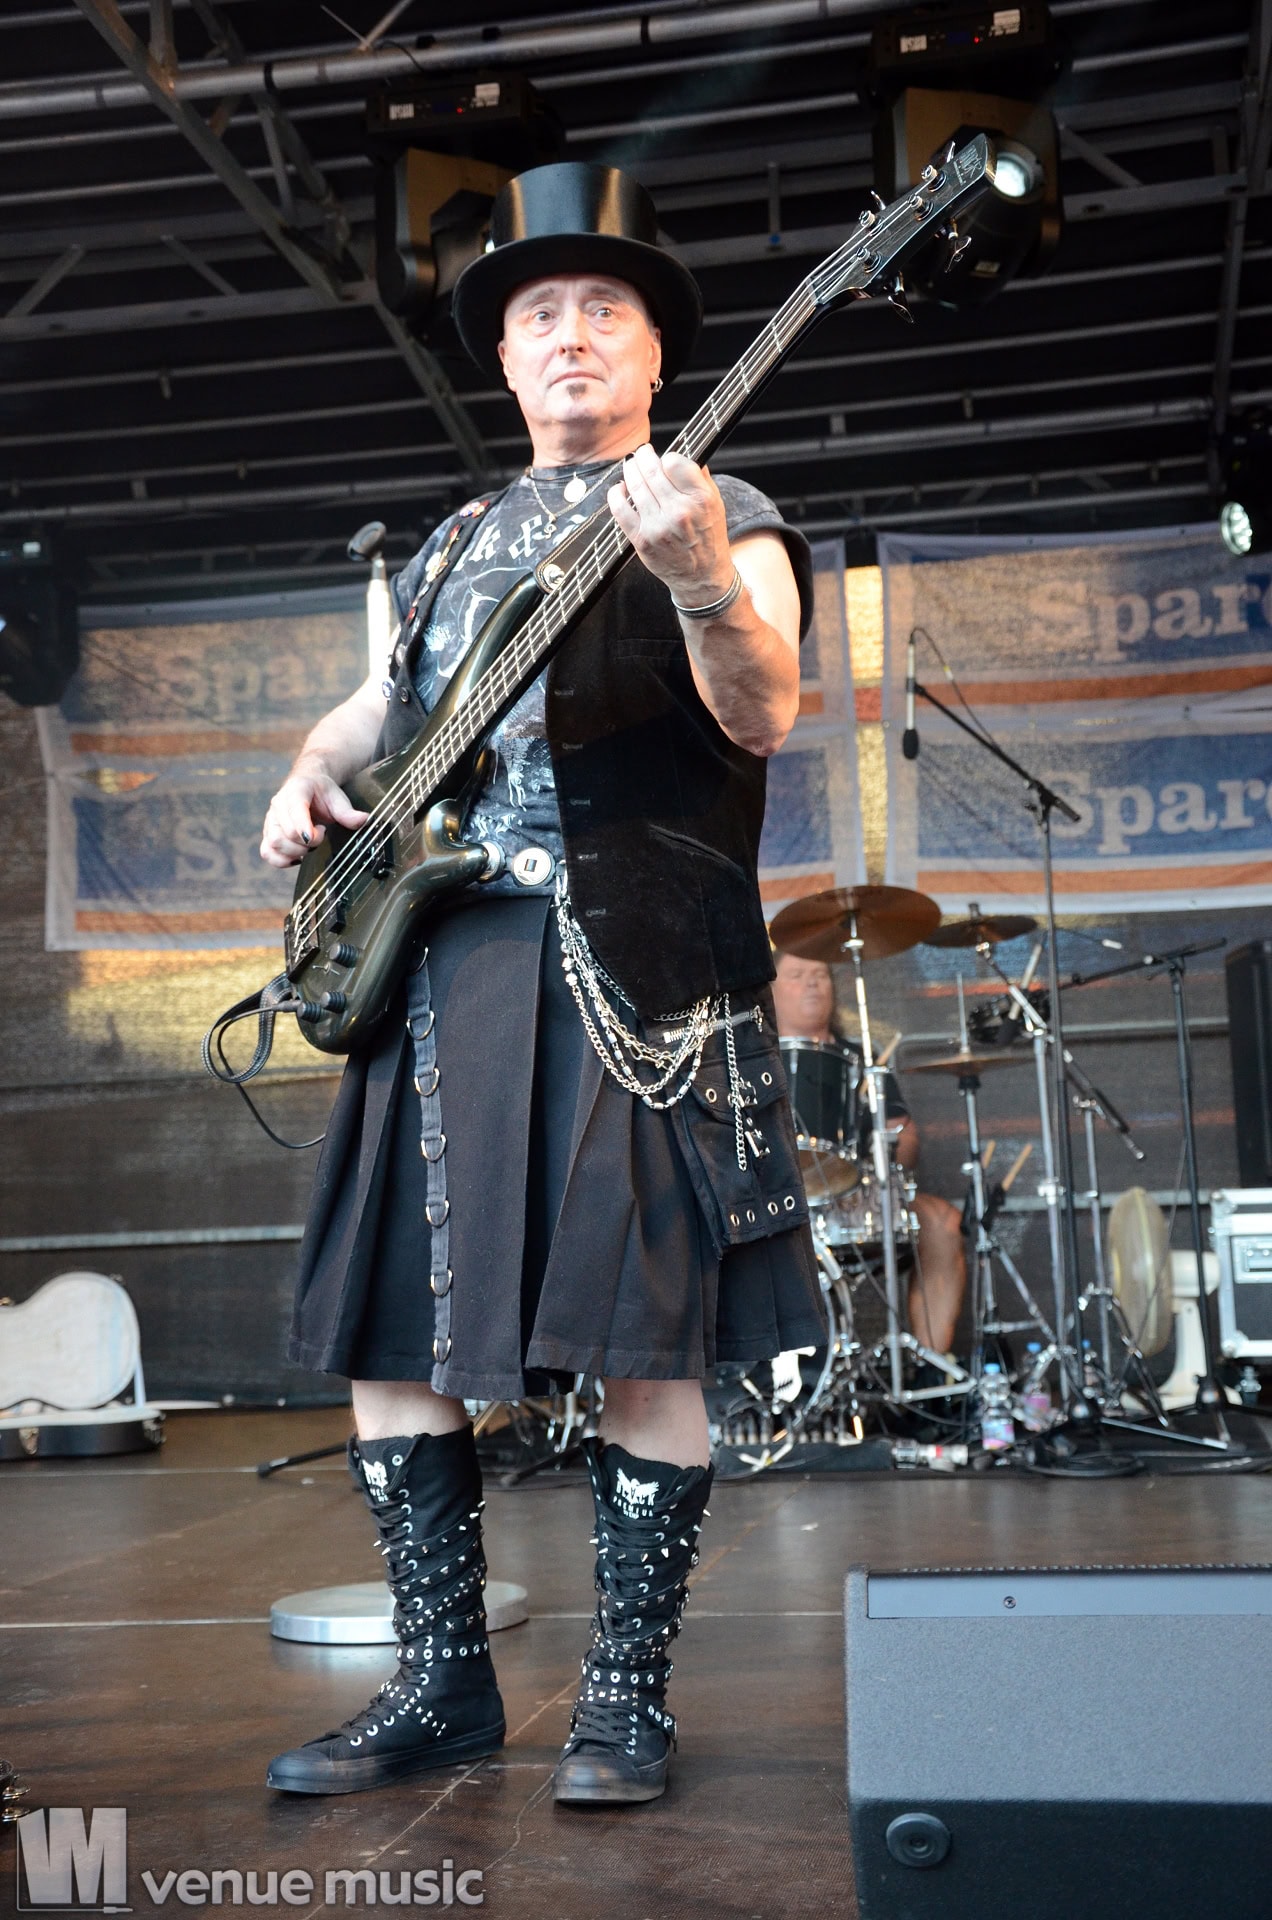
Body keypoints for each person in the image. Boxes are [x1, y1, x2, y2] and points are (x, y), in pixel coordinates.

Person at [256, 162, 825, 1807]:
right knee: (391, 1337)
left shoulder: (727, 507)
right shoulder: (450, 544)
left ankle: (624, 1699)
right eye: (539, 315)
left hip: (633, 972)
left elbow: (764, 709)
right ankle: (442, 1687)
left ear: (655, 350)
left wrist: (699, 574)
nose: (569, 335)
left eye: (603, 309)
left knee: (648, 1341)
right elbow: (383, 708)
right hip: (441, 970)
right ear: (504, 360)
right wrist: (306, 769)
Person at [770, 949, 966, 1357]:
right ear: (769, 991)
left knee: (942, 1221)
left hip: (858, 1196)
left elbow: (904, 1135)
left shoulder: (863, 1058)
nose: (812, 982)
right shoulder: (751, 1061)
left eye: (820, 973)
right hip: (776, 1201)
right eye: (797, 974)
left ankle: (930, 1363)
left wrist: (883, 1165)